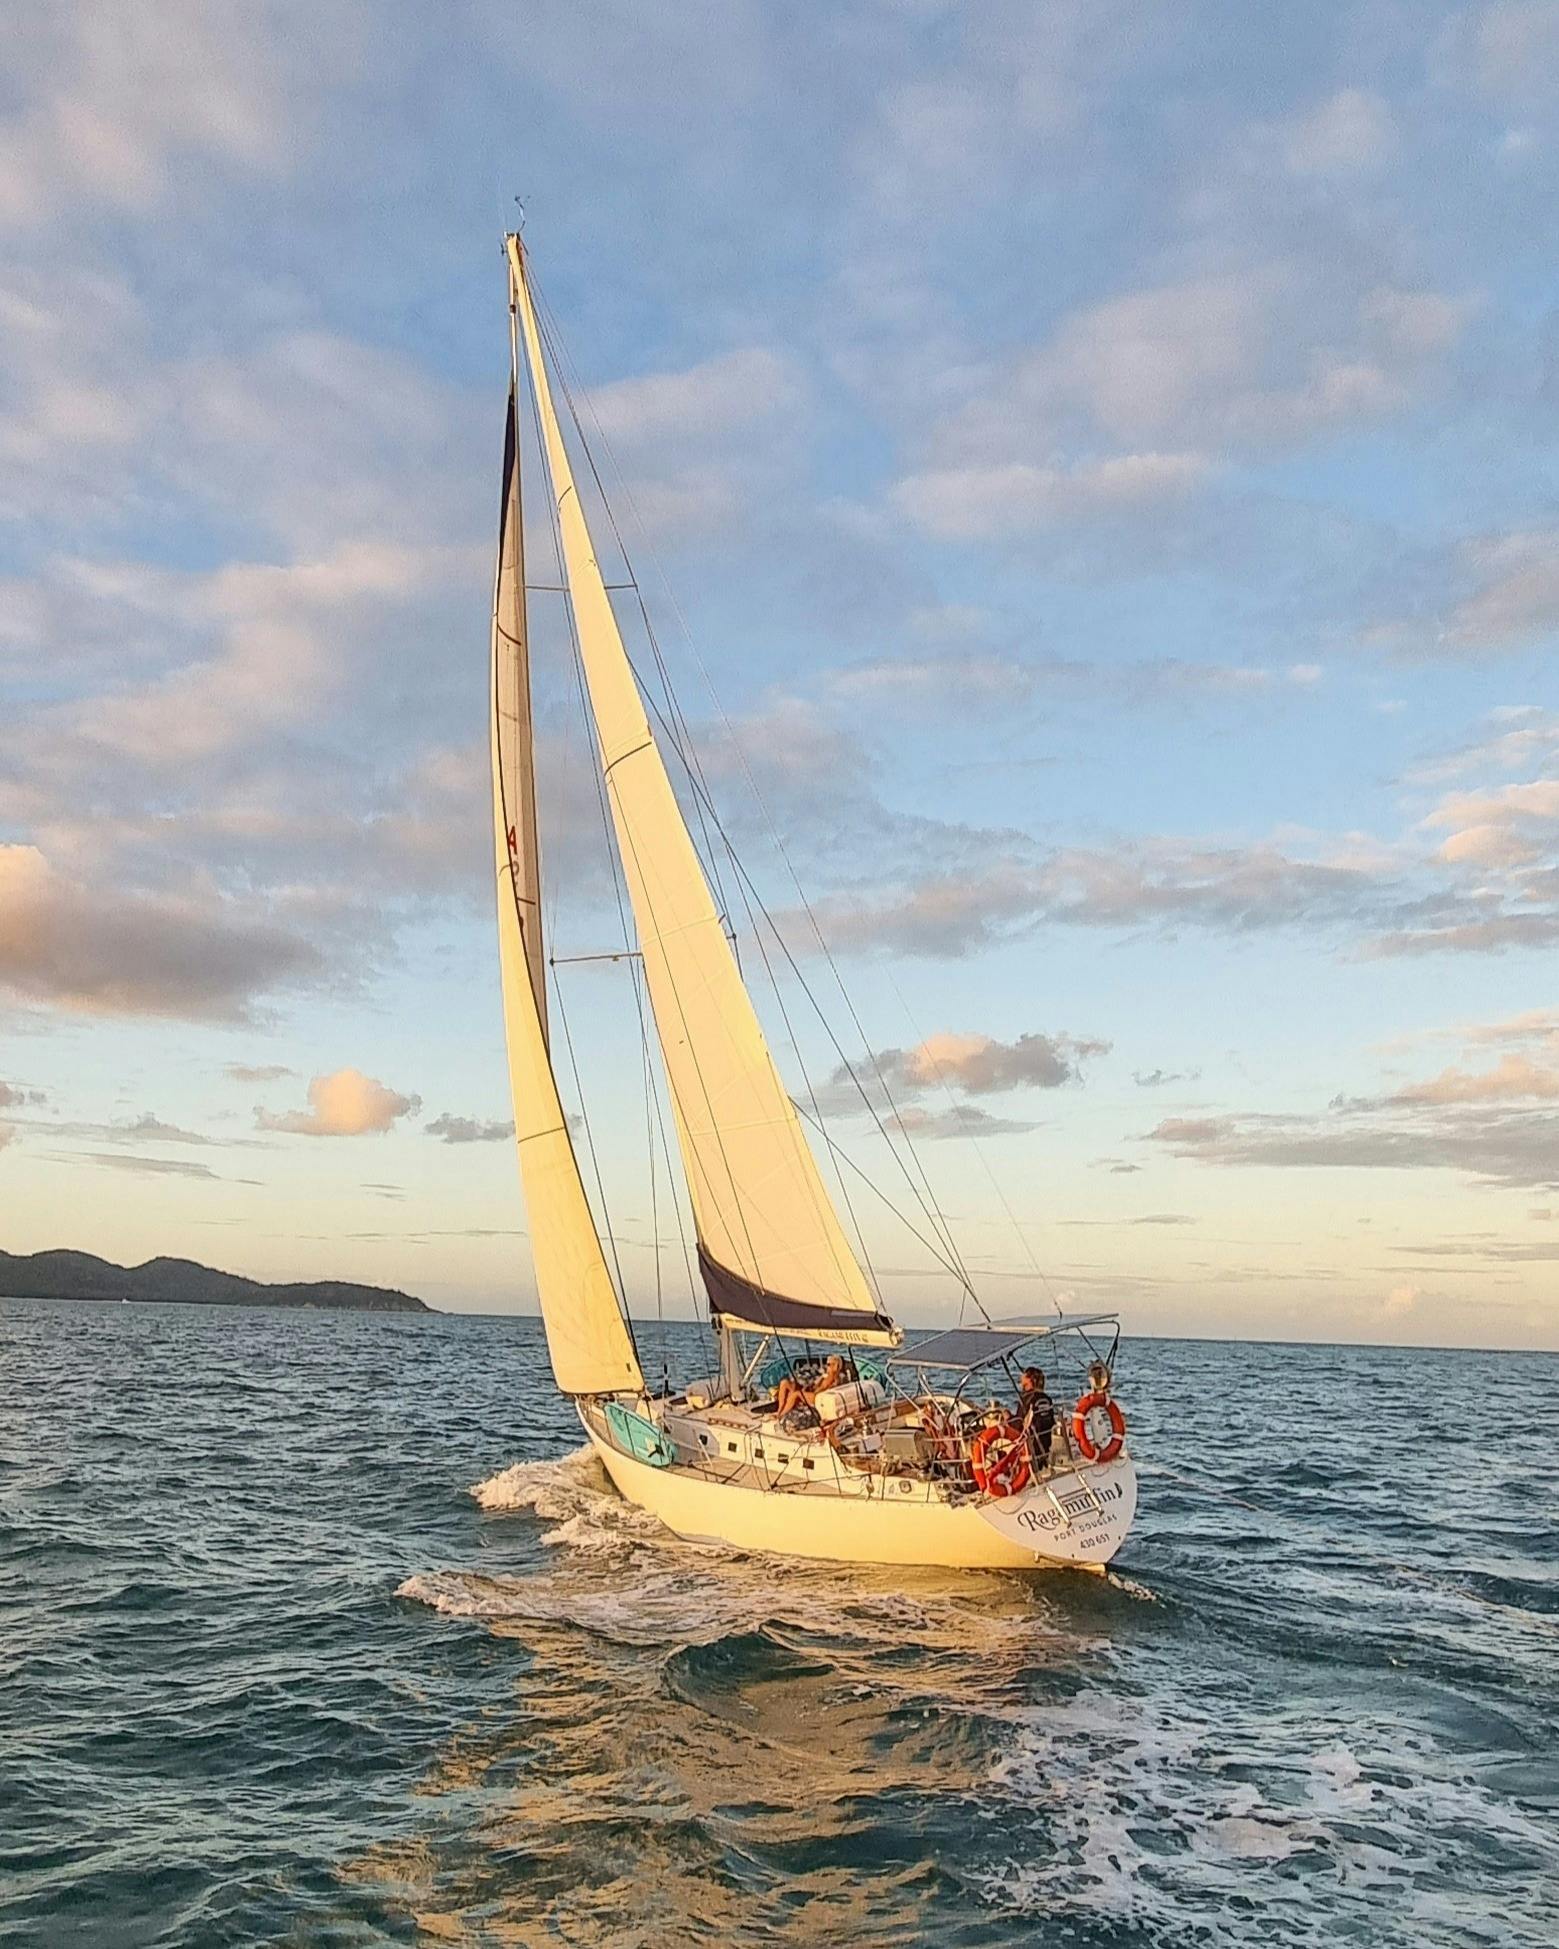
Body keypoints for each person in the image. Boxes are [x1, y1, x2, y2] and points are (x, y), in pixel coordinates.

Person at [775, 1353, 844, 1421]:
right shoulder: (827, 1376)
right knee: (785, 1383)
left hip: (816, 1397)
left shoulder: (832, 1377)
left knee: (796, 1394)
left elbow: (820, 1390)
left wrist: (806, 1391)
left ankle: (781, 1415)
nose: (826, 1366)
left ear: (836, 1366)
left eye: (829, 1364)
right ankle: (780, 1409)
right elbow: (816, 1385)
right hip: (814, 1392)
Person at [1014, 1365, 1056, 1471]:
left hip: (1030, 1446)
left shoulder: (1026, 1399)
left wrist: (1006, 1417)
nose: (1020, 1380)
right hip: (1045, 1444)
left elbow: (1017, 1424)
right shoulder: (1047, 1399)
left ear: (1029, 1380)